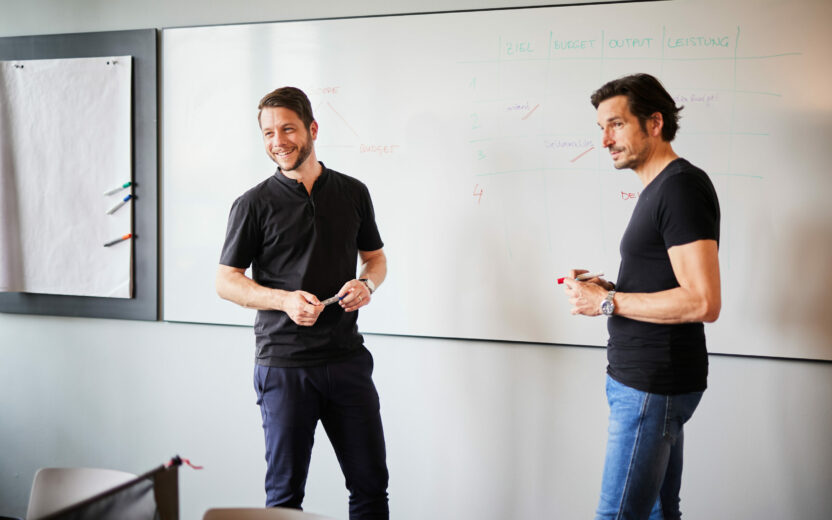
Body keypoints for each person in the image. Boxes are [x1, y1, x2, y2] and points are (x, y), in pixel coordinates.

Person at [216, 86, 389, 519]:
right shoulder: (253, 204)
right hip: (284, 366)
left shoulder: (353, 192)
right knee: (285, 498)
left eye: (288, 129)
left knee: (371, 488)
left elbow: (375, 259)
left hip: (347, 361)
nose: (278, 141)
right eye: (268, 133)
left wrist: (367, 284)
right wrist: (284, 301)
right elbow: (226, 282)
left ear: (312, 129)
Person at [562, 73, 721, 520]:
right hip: (644, 381)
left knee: (617, 515)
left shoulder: (680, 187)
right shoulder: (660, 187)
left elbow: (702, 301)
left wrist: (606, 304)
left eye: (616, 125)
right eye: (601, 129)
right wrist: (608, 289)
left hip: (652, 384)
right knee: (657, 512)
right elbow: (668, 283)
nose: (605, 140)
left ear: (654, 122)